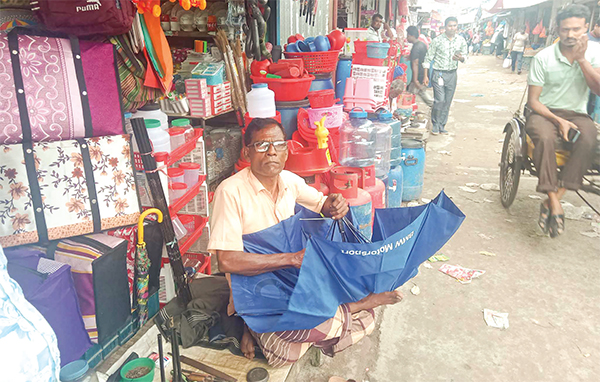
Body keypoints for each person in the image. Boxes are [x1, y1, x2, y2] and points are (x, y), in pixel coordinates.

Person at [207, 118, 404, 367]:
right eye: (261, 145)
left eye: (278, 144)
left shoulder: (290, 181)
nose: (271, 152)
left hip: (292, 285)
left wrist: (335, 204)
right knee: (284, 357)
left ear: (287, 151)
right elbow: (226, 260)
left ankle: (273, 331)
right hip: (258, 293)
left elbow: (323, 204)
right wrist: (290, 259)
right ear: (247, 152)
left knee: (366, 322)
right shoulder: (230, 191)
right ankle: (355, 307)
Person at [526, 4, 600, 238]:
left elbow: (597, 89)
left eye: (576, 29)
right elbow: (534, 101)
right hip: (544, 112)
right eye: (565, 29)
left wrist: (581, 60)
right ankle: (553, 199)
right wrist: (558, 120)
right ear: (558, 28)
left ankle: (554, 200)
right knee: (545, 138)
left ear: (586, 28)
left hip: (577, 113)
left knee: (589, 139)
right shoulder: (543, 57)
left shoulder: (595, 54)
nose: (570, 35)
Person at [422, 17, 467, 135]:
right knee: (439, 100)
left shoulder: (461, 40)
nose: (452, 28)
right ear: (445, 26)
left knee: (447, 101)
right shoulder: (437, 41)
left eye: (455, 26)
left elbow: (465, 56)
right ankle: (435, 124)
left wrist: (461, 58)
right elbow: (428, 58)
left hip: (452, 74)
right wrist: (425, 76)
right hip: (438, 74)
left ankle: (442, 125)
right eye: (450, 26)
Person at [407, 26, 434, 107]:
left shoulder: (416, 47)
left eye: (408, 35)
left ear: (412, 35)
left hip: (418, 75)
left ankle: (436, 107)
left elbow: (415, 63)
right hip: (423, 74)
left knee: (416, 93)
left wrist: (415, 80)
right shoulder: (422, 44)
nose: (407, 37)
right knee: (414, 93)